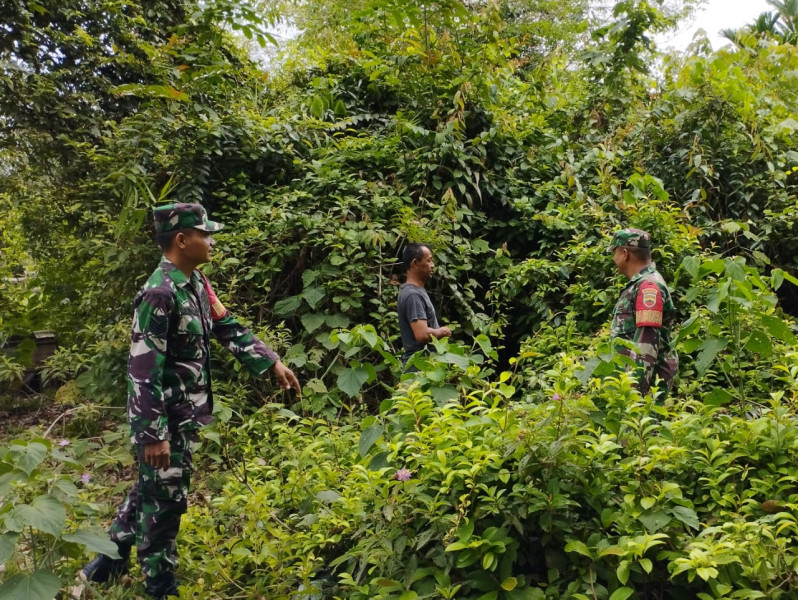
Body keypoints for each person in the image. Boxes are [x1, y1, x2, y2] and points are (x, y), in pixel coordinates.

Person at [81, 203, 300, 599]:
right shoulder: (160, 294)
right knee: (164, 506)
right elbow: (141, 370)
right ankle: (159, 585)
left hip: (185, 413)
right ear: (182, 240)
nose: (211, 241)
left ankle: (109, 557)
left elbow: (226, 325)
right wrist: (153, 436)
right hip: (164, 419)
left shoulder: (196, 283)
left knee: (153, 487)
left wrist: (272, 363)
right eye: (205, 234)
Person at [608, 228, 678, 399]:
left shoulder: (648, 287)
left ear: (625, 254)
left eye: (614, 252)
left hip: (644, 391)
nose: (613, 258)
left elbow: (645, 347)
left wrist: (634, 396)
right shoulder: (640, 284)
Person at [397, 243, 452, 367]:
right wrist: (441, 332)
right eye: (429, 260)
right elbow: (421, 334)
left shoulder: (415, 292)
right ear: (415, 263)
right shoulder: (413, 295)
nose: (432, 265)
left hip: (424, 366)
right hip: (420, 368)